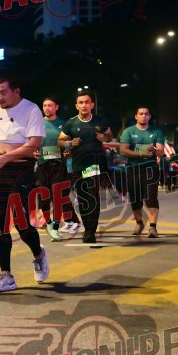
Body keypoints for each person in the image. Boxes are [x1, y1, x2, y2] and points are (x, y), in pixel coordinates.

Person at [0, 74, 48, 292]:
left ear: (16, 91)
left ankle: (38, 254)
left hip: (21, 169)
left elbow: (35, 143)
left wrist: (7, 156)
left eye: (3, 92)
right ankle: (6, 276)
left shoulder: (31, 109)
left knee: (21, 223)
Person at [57, 91, 114, 244]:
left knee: (92, 197)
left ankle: (90, 231)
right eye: (81, 102)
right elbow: (60, 141)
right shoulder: (71, 123)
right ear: (77, 106)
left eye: (87, 102)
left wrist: (105, 137)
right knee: (82, 198)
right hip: (77, 166)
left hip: (94, 165)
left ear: (92, 105)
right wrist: (70, 143)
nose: (84, 105)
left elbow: (110, 136)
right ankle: (87, 227)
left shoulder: (99, 120)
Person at [35, 96, 80, 241]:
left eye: (50, 105)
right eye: (44, 105)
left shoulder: (64, 124)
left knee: (58, 196)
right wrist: (33, 152)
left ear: (56, 107)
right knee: (44, 197)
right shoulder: (37, 123)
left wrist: (68, 152)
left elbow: (70, 145)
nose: (47, 108)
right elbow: (31, 142)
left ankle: (55, 228)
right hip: (42, 165)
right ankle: (48, 222)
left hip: (59, 165)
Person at [119, 106, 163, 238]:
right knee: (135, 198)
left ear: (150, 116)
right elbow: (123, 150)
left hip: (150, 168)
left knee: (151, 197)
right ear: (136, 116)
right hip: (133, 168)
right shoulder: (128, 131)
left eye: (146, 114)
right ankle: (139, 223)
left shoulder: (156, 132)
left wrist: (154, 150)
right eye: (141, 114)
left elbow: (161, 152)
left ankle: (153, 227)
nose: (144, 116)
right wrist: (141, 153)